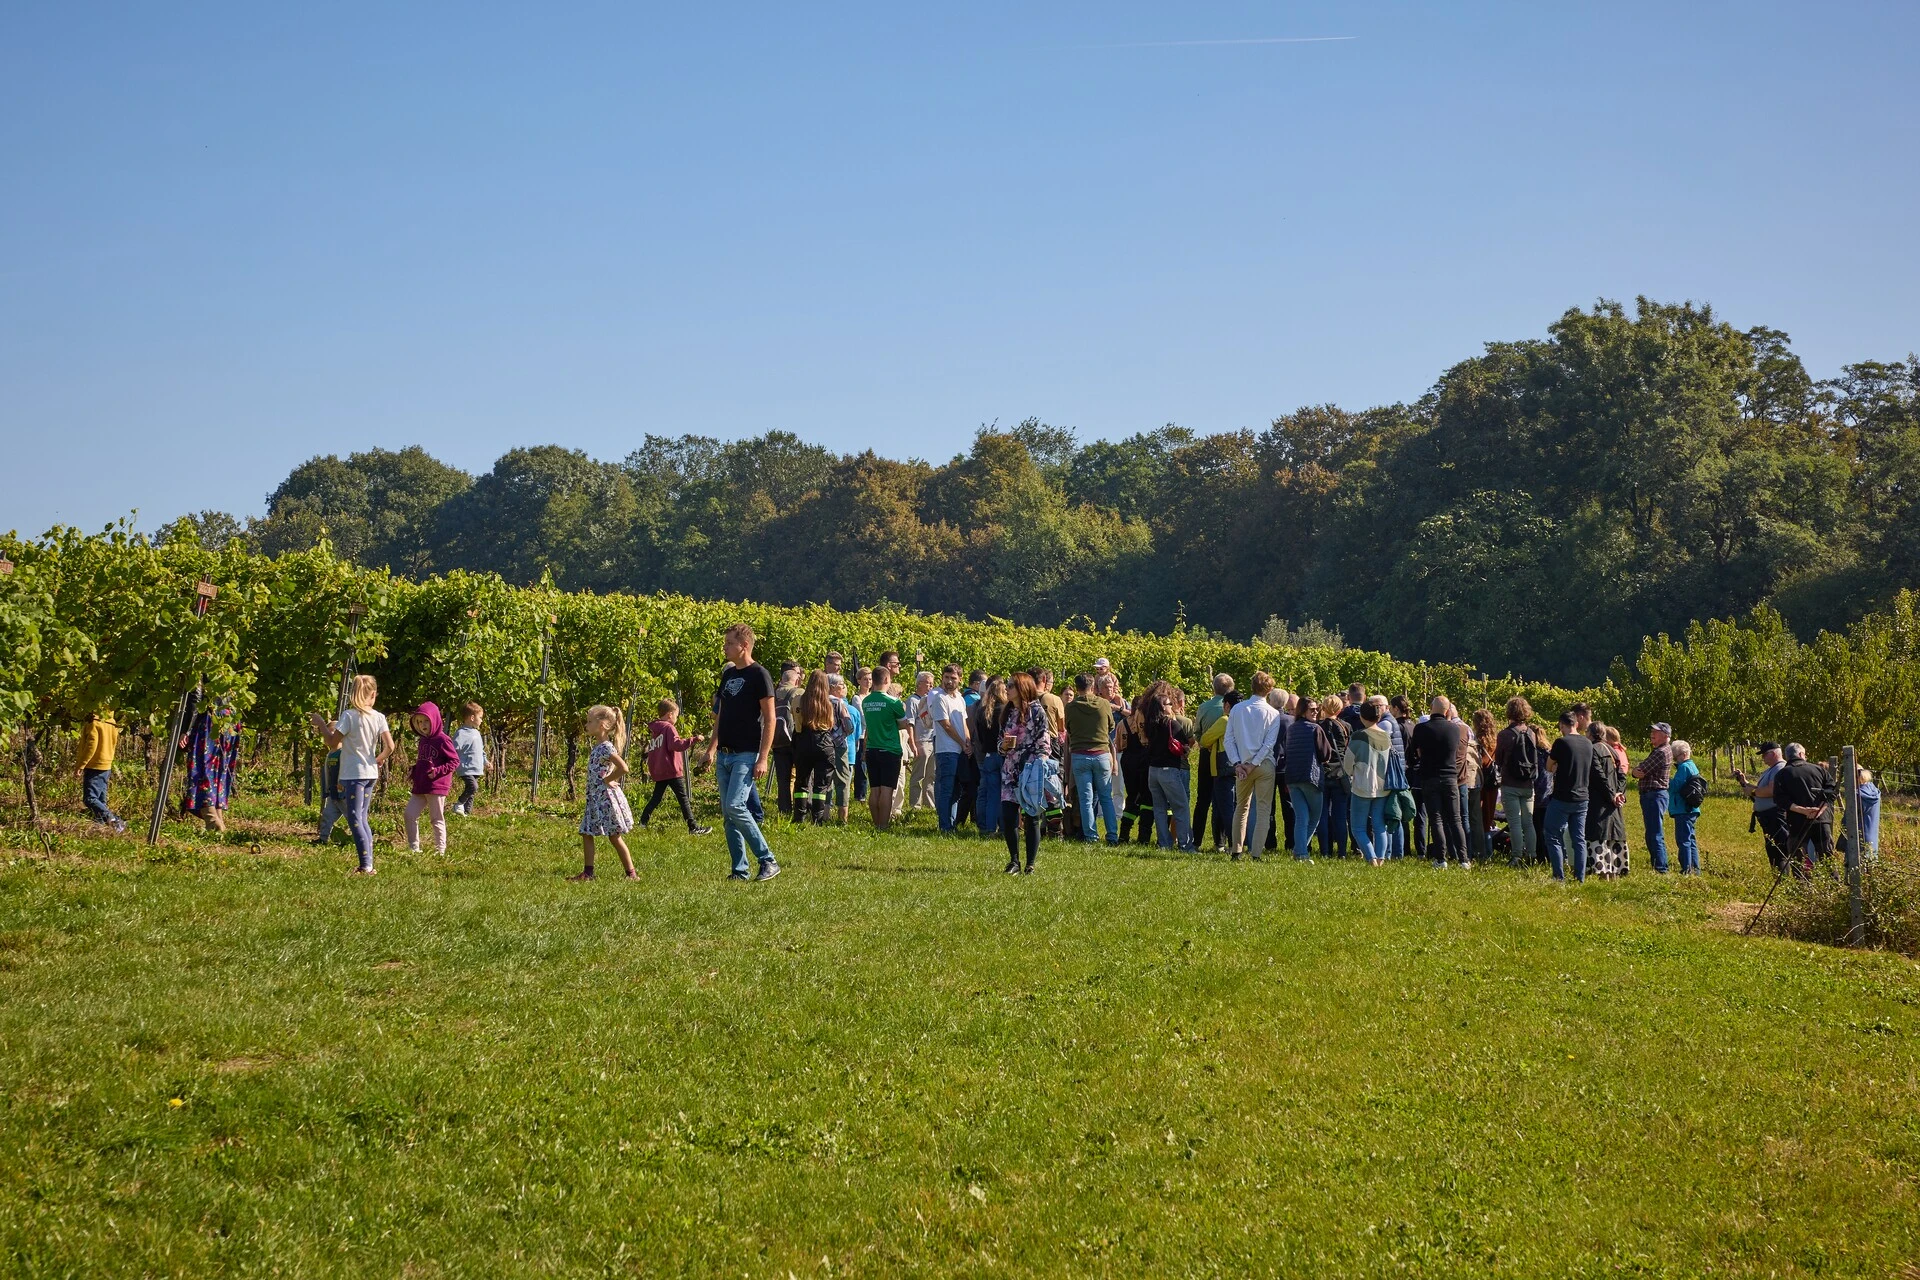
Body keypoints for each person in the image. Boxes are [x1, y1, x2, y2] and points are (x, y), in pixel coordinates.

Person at [706, 623, 780, 882]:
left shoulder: (760, 675)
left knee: (736, 806)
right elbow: (721, 715)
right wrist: (711, 748)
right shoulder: (727, 675)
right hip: (725, 754)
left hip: (746, 754)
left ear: (744, 646)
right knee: (729, 816)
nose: (725, 647)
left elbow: (770, 719)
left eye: (729, 643)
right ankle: (740, 870)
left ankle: (767, 859)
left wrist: (763, 757)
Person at [309, 675, 394, 874]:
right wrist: (378, 759)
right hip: (370, 773)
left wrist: (321, 724)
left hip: (353, 774)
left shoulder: (348, 716)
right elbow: (390, 746)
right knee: (362, 817)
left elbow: (331, 742)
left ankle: (366, 865)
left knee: (355, 818)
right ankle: (369, 861)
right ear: (373, 694)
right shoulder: (379, 717)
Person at [570, 705, 637, 880]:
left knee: (614, 837)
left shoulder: (606, 748)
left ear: (602, 725)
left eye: (590, 721)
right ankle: (588, 872)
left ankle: (631, 874)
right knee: (586, 833)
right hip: (595, 799)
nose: (586, 724)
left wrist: (608, 779)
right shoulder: (598, 746)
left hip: (606, 799)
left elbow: (624, 768)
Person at [999, 672, 1053, 873]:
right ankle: (1014, 861)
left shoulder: (1037, 711)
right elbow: (1000, 739)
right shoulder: (1008, 711)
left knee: (1032, 817)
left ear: (1022, 688)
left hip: (1030, 770)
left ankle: (1030, 863)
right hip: (1010, 769)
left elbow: (1044, 741)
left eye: (1011, 685)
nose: (1007, 688)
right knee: (1008, 815)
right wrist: (1002, 746)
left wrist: (1038, 764)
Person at [1226, 672, 1282, 859]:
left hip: (1242, 764)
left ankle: (1237, 850)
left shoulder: (1237, 709)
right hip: (1263, 764)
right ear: (1270, 690)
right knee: (1264, 809)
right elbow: (1269, 744)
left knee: (1241, 807)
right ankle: (1256, 853)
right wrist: (1253, 763)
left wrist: (1238, 763)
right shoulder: (1273, 713)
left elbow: (1229, 740)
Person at [1409, 697, 1468, 868]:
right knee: (1455, 819)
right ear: (1447, 710)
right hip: (1450, 777)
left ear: (1431, 708)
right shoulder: (1455, 729)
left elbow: (1414, 752)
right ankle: (1464, 859)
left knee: (1436, 819)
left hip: (1429, 777)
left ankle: (1440, 858)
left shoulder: (1421, 728)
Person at [640, 698, 710, 833]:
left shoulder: (655, 730)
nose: (677, 719)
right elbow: (676, 745)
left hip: (660, 771)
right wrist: (694, 739)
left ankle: (643, 822)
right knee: (683, 798)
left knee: (656, 798)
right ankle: (693, 827)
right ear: (670, 714)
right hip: (671, 770)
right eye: (676, 715)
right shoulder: (668, 728)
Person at [1141, 681, 1196, 851]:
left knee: (1159, 809)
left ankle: (1164, 843)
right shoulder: (1172, 724)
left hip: (1153, 770)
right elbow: (1185, 744)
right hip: (1169, 770)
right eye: (1168, 704)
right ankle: (1186, 845)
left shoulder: (1150, 725)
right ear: (1163, 707)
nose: (1171, 706)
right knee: (1181, 807)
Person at [1066, 672, 1119, 844]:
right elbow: (1111, 725)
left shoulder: (1071, 707)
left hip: (1080, 755)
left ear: (1077, 688)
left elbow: (1068, 729)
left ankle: (1090, 835)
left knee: (1086, 799)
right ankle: (1112, 835)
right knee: (1106, 797)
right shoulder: (1104, 704)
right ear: (1093, 687)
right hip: (1102, 754)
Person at [1542, 709, 1593, 883]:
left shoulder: (1561, 743)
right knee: (1579, 839)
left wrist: (1557, 768)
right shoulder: (1587, 743)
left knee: (1552, 834)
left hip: (1562, 797)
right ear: (1577, 724)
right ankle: (1580, 877)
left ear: (1561, 725)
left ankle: (1558, 876)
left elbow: (1548, 766)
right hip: (1582, 797)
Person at [403, 701, 459, 855]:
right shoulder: (422, 740)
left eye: (426, 720)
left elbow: (454, 761)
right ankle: (414, 847)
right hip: (421, 785)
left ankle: (440, 850)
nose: (422, 725)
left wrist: (438, 771)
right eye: (419, 722)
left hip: (436, 786)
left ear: (434, 719)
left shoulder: (443, 739)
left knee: (436, 818)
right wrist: (415, 771)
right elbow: (425, 761)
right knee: (409, 814)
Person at [1344, 699, 1395, 866]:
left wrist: (1352, 773)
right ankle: (1380, 858)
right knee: (1379, 826)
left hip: (1362, 786)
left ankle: (1370, 857)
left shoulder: (1358, 736)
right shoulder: (1386, 737)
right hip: (1383, 787)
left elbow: (1347, 764)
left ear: (1361, 717)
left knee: (1358, 827)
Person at [1771, 743, 1834, 876]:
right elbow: (1831, 792)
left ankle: (1801, 889)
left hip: (1797, 821)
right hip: (1821, 820)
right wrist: (1819, 810)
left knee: (1798, 857)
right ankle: (1833, 887)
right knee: (1827, 856)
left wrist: (1802, 810)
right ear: (1801, 754)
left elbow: (1780, 800)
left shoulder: (1782, 774)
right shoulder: (1819, 770)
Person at [181, 695, 242, 834]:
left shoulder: (201, 672)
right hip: (229, 718)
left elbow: (196, 696)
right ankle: (218, 821)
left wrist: (187, 729)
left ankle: (213, 822)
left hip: (209, 718)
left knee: (202, 770)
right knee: (219, 772)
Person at [861, 670, 912, 832]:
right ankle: (883, 825)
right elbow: (904, 724)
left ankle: (876, 823)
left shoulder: (866, 701)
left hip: (872, 748)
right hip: (890, 749)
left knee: (874, 789)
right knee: (887, 790)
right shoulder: (893, 702)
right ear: (886, 679)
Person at [790, 670, 842, 826]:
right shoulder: (828, 703)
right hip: (824, 742)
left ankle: (799, 817)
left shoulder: (798, 700)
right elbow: (831, 724)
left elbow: (797, 723)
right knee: (822, 783)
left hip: (803, 740)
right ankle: (817, 819)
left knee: (801, 781)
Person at [1283, 695, 1332, 862]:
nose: (1316, 711)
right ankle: (1301, 851)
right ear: (1303, 711)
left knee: (1301, 818)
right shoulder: (1315, 729)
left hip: (1292, 777)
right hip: (1311, 777)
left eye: (1317, 709)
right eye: (1312, 709)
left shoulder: (1291, 728)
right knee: (1314, 817)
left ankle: (1300, 851)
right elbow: (1325, 754)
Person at [1495, 698, 1541, 866]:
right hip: (1528, 783)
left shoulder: (1505, 734)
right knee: (1528, 822)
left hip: (1510, 783)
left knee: (1514, 823)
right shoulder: (1531, 733)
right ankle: (1532, 854)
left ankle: (1516, 856)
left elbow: (1498, 759)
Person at [1733, 742, 1789, 873]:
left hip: (1775, 816)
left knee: (1779, 849)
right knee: (1772, 849)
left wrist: (1752, 792)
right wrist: (1744, 782)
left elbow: (1771, 791)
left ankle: (1783, 881)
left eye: (1764, 754)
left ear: (1773, 753)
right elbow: (1761, 790)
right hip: (1768, 817)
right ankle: (1778, 877)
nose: (1762, 758)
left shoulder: (1779, 768)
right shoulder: (1772, 769)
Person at [1192, 674, 1234, 847]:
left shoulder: (1204, 707)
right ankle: (1221, 841)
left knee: (1203, 799)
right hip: (1228, 757)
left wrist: (1206, 744)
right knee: (1224, 800)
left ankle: (1196, 840)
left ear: (1213, 687)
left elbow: (1197, 733)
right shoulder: (1235, 710)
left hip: (1206, 755)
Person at [928, 664, 972, 833]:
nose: (949, 681)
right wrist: (962, 743)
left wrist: (968, 742)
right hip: (946, 749)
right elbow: (945, 725)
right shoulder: (940, 698)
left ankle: (951, 823)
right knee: (946, 788)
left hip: (959, 749)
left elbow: (963, 723)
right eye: (946, 677)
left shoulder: (960, 698)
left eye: (953, 678)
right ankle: (945, 825)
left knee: (956, 790)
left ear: (959, 679)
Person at [1584, 721, 1628, 878]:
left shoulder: (1592, 749)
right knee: (1613, 836)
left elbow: (1598, 776)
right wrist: (1619, 793)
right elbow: (1622, 774)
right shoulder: (1612, 750)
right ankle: (1613, 873)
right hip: (1613, 802)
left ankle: (1602, 873)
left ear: (1590, 733)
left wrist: (1611, 795)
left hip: (1599, 800)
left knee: (1600, 835)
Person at [74, 709, 125, 833]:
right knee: (101, 800)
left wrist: (81, 764)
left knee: (89, 798)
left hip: (94, 765)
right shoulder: (112, 722)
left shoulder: (94, 722)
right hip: (106, 764)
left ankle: (113, 820)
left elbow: (91, 746)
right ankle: (100, 828)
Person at [1632, 722, 1673, 873]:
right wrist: (1635, 771)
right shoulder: (1660, 750)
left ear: (1665, 735)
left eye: (1655, 732)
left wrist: (1635, 771)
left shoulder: (1661, 752)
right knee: (1652, 833)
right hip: (1653, 796)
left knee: (1655, 834)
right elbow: (1637, 771)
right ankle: (1657, 866)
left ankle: (1661, 869)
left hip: (1654, 795)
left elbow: (1641, 770)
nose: (1652, 734)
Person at [1317, 695, 1352, 858]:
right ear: (1340, 709)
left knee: (1323, 814)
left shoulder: (1318, 727)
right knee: (1340, 815)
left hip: (1323, 772)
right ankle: (1342, 852)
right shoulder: (1345, 726)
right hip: (1340, 773)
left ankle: (1325, 850)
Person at [970, 677, 1005, 838]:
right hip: (1004, 756)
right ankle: (1004, 827)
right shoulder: (1006, 710)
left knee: (991, 794)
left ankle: (990, 828)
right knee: (1005, 795)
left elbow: (979, 736)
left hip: (988, 755)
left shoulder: (982, 711)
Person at [1116, 698, 1153, 844]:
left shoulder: (1122, 724)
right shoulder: (1147, 722)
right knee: (1146, 798)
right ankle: (1144, 836)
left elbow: (1119, 747)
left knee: (1131, 796)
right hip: (1144, 759)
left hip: (1128, 760)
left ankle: (1124, 834)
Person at [768, 661, 802, 817]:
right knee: (801, 776)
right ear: (795, 680)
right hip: (795, 739)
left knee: (783, 778)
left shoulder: (772, 694)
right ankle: (800, 808)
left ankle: (784, 810)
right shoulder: (799, 693)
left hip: (777, 740)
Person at [1667, 738, 1704, 876]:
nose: (1675, 761)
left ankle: (1686, 869)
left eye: (1676, 758)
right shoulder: (1692, 766)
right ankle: (1695, 869)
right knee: (1691, 840)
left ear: (1683, 755)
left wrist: (1666, 780)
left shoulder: (1684, 768)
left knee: (1683, 841)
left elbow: (1676, 785)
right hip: (1691, 809)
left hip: (1683, 809)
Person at [827, 674, 859, 825]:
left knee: (824, 780)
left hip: (822, 745)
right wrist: (842, 734)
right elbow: (849, 726)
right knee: (843, 780)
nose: (844, 687)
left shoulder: (817, 700)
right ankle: (842, 817)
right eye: (841, 684)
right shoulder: (838, 703)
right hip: (839, 745)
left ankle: (823, 814)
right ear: (833, 687)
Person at [1469, 708, 1499, 862]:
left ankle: (1481, 852)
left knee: (1477, 817)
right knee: (1488, 817)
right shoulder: (1495, 740)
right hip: (1493, 783)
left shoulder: (1477, 742)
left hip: (1480, 781)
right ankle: (1489, 852)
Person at [451, 702, 488, 816]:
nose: (482, 720)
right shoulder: (461, 733)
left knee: (472, 791)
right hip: (465, 767)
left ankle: (466, 813)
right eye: (480, 718)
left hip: (476, 767)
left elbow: (481, 751)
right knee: (473, 787)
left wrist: (486, 762)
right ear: (472, 718)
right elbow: (453, 748)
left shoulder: (476, 733)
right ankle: (459, 804)